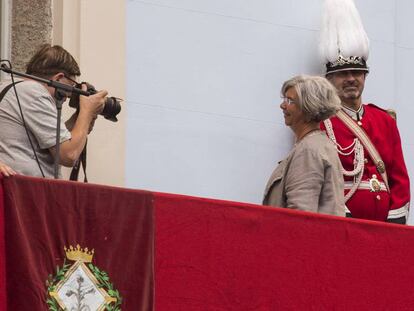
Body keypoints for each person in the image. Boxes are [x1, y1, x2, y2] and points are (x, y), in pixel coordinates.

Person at [319, 0, 410, 223]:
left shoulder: (384, 120)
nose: (351, 79)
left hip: (386, 223)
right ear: (330, 79)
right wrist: (342, 217)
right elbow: (321, 178)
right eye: (344, 74)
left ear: (365, 77)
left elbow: (399, 177)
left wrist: (395, 219)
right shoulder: (322, 122)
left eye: (357, 73)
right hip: (345, 221)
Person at [0, 44, 107, 178]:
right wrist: (87, 112)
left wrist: (79, 117)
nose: (68, 97)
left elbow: (53, 139)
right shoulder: (34, 92)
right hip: (24, 191)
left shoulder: (9, 86)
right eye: (71, 87)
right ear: (58, 78)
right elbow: (68, 155)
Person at [263, 75, 345, 217]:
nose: (282, 106)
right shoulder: (319, 144)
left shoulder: (309, 150)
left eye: (290, 101)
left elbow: (300, 214)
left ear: (308, 108)